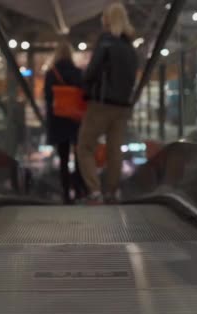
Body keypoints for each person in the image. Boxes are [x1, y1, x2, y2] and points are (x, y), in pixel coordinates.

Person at [77, 2, 138, 204]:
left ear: (107, 20)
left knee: (85, 147)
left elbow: (93, 71)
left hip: (101, 105)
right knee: (114, 151)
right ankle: (111, 193)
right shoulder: (130, 47)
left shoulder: (106, 41)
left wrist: (85, 86)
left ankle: (95, 192)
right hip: (123, 107)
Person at [44, 41, 88, 204]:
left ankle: (65, 194)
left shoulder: (51, 74)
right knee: (79, 157)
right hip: (76, 120)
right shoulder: (78, 73)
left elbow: (48, 99)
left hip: (58, 120)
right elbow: (85, 96)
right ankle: (78, 189)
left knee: (63, 159)